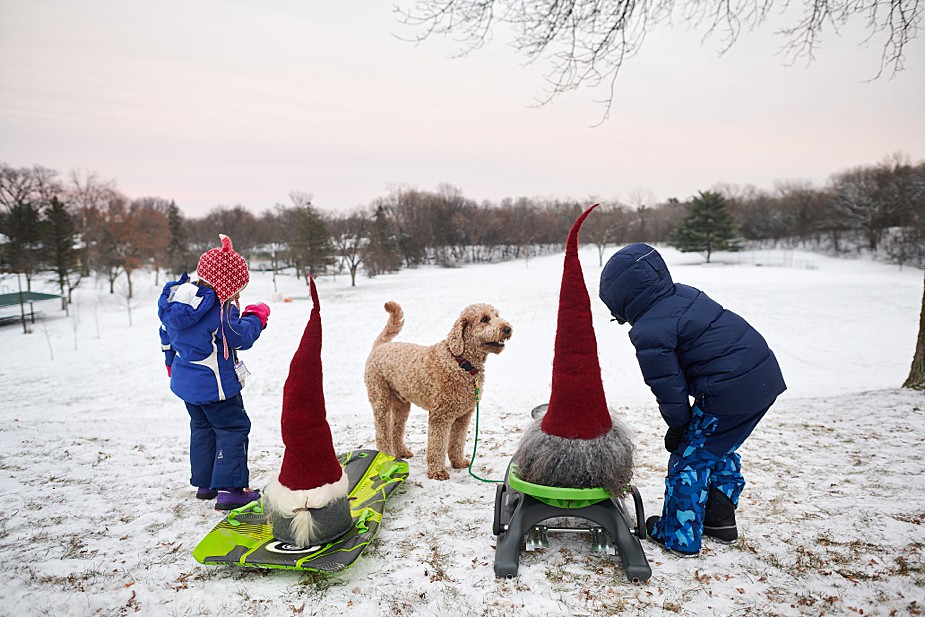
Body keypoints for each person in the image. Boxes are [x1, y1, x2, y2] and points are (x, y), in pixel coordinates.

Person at [598, 243, 786, 556]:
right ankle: (719, 519)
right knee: (717, 447)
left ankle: (678, 535)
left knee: (690, 458)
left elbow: (668, 386)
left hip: (729, 390)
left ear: (623, 298)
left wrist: (679, 425)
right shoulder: (684, 293)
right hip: (762, 378)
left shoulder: (649, 329)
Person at [158, 234, 271, 511]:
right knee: (233, 428)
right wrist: (256, 317)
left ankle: (206, 484)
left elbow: (165, 334)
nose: (239, 296)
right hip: (216, 385)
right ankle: (231, 490)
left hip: (186, 382)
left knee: (202, 428)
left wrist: (170, 361)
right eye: (237, 289)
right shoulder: (220, 310)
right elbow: (239, 337)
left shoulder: (181, 301)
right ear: (227, 285)